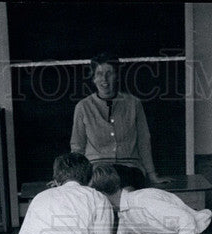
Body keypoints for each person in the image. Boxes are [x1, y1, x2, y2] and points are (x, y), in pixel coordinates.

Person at [70, 51, 167, 190]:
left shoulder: (134, 103)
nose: (104, 79)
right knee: (95, 191)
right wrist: (71, 179)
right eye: (99, 74)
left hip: (129, 169)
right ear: (93, 78)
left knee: (127, 192)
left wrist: (152, 174)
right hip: (96, 170)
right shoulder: (83, 107)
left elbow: (144, 141)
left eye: (110, 73)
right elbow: (77, 147)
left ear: (117, 76)